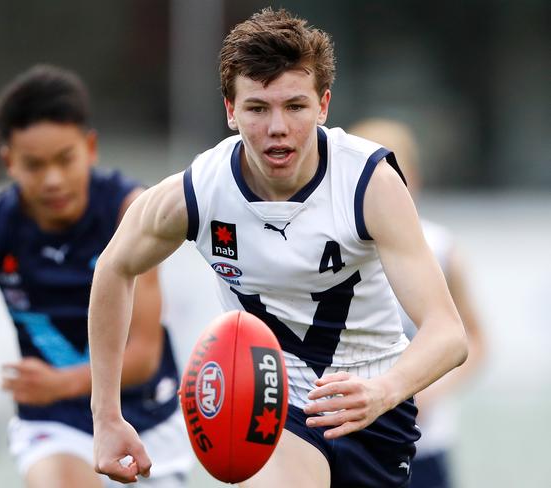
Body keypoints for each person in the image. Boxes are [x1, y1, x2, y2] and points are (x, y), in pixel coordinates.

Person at [89, 8, 468, 488]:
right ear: (230, 111)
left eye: (295, 106)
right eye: (256, 108)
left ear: (323, 105)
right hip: (267, 394)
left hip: (369, 402)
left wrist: (383, 390)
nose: (277, 127)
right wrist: (106, 417)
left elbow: (448, 333)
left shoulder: (368, 183)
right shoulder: (200, 191)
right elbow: (113, 268)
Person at [0, 65, 192, 488]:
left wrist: (60, 382)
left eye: (64, 159)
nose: (53, 179)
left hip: (145, 417)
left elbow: (144, 355)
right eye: (34, 165)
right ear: (8, 162)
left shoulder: (130, 214)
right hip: (56, 422)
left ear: (90, 148)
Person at [348, 118, 486, 488]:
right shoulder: (335, 250)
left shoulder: (440, 248)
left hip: (423, 444)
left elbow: (473, 338)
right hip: (351, 444)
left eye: (394, 176)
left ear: (414, 181)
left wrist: (429, 389)